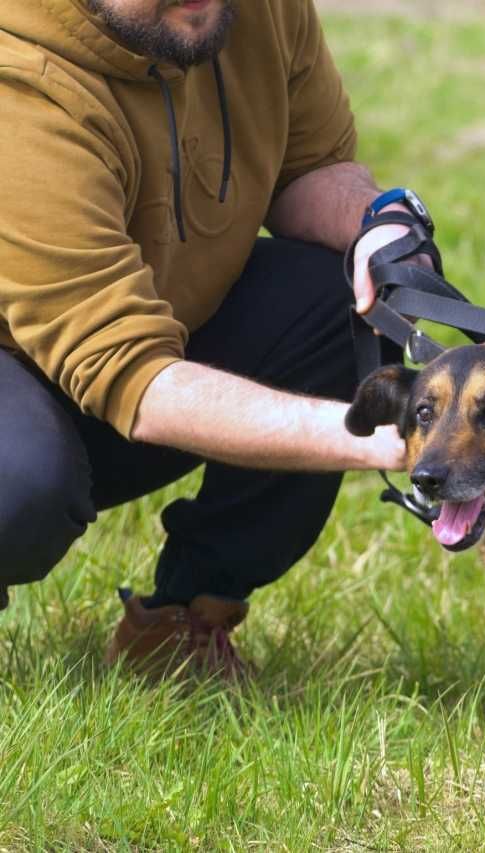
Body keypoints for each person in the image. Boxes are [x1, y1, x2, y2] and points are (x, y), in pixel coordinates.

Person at [0, 0, 429, 678]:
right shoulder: (17, 85)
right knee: (18, 481)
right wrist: (385, 434)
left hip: (135, 349)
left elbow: (311, 167)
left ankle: (178, 624)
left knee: (336, 300)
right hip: (34, 371)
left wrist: (382, 226)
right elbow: (136, 380)